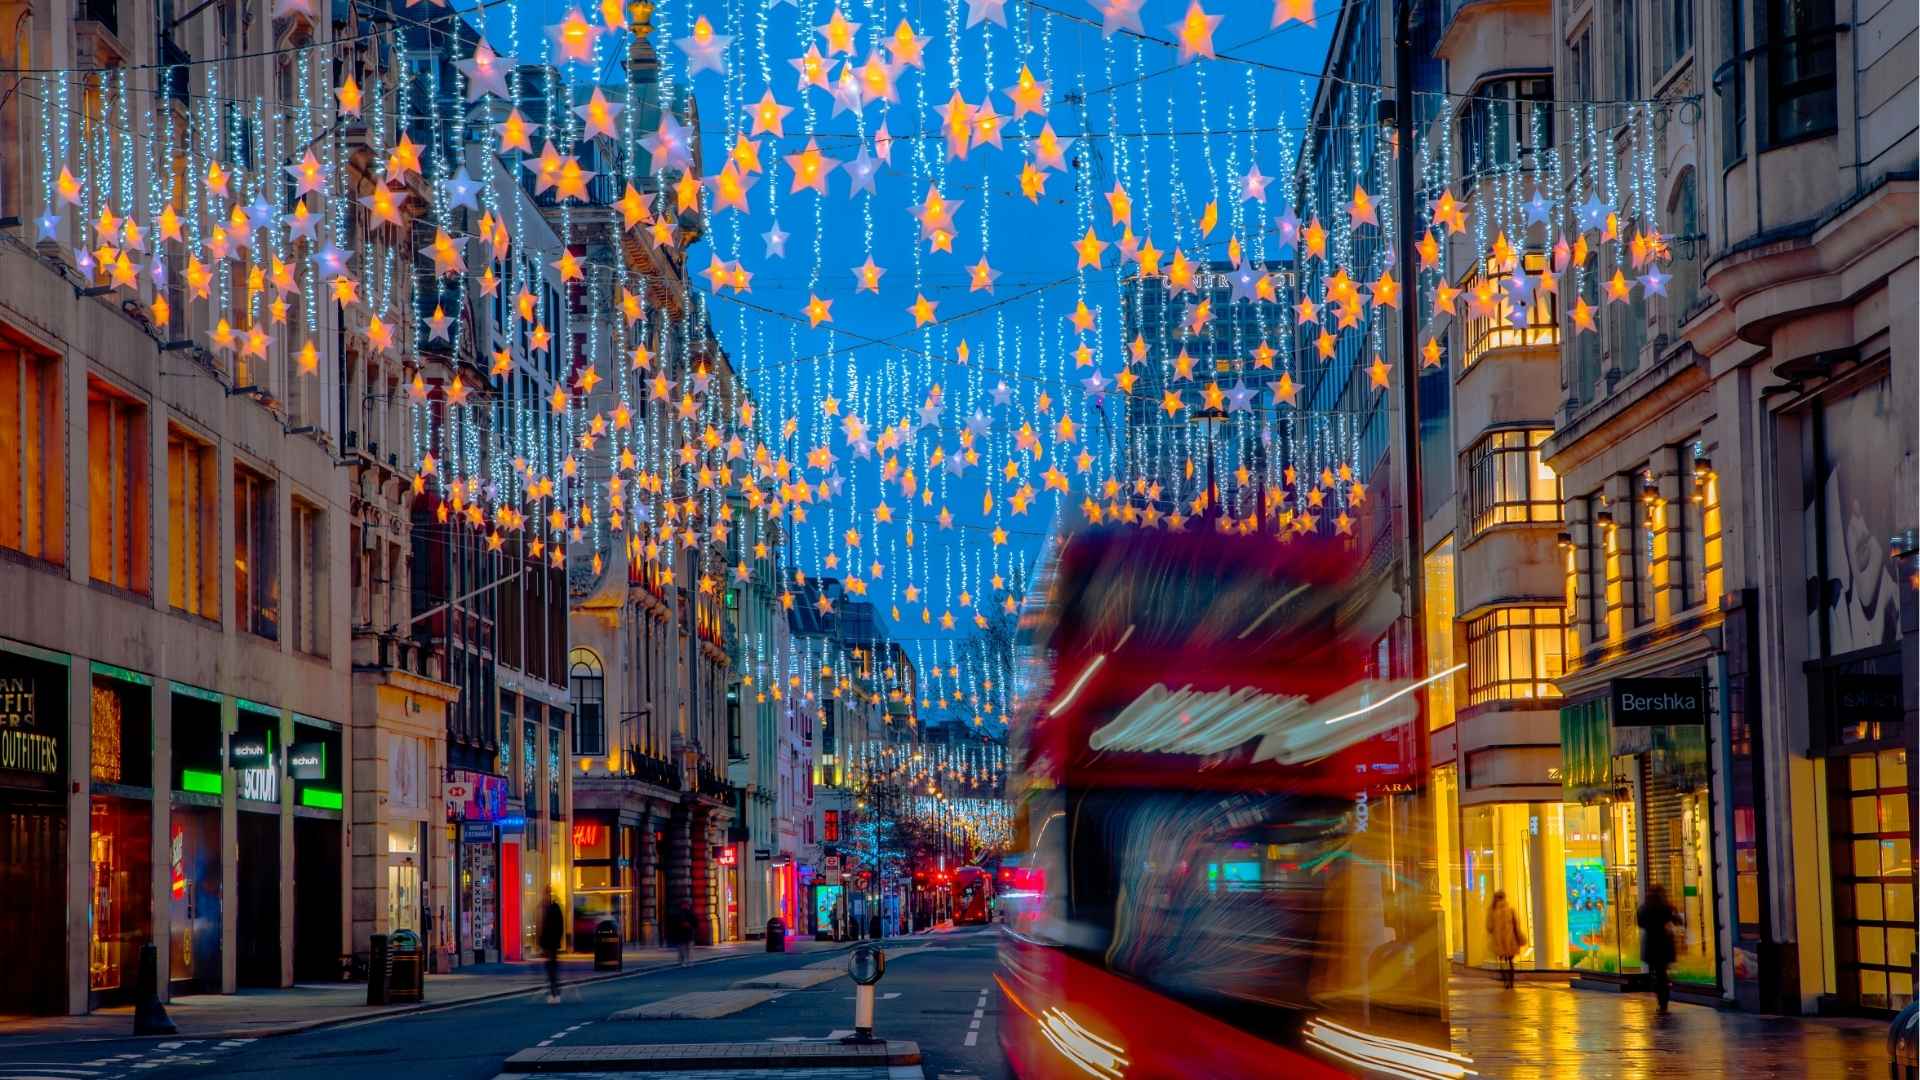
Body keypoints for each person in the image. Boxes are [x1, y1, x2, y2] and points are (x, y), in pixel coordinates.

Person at [1637, 883, 1681, 1013]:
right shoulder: (1666, 908)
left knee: (1656, 973)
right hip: (1664, 944)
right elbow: (1678, 921)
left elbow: (1640, 924)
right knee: (1662, 974)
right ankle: (1663, 1003)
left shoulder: (1644, 908)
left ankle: (1659, 998)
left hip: (1651, 944)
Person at [1485, 890, 1526, 990]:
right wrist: (1519, 936)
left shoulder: (1492, 910)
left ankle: (1505, 982)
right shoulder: (1511, 910)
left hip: (1499, 942)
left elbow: (1489, 927)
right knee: (1511, 962)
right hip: (1510, 940)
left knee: (1502, 963)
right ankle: (1511, 983)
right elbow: (1517, 925)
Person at [537, 891, 565, 1004]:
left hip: (551, 943)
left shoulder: (554, 909)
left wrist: (557, 940)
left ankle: (554, 991)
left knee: (551, 967)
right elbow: (540, 926)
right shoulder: (542, 908)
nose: (545, 897)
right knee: (550, 967)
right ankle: (554, 989)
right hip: (547, 943)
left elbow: (559, 926)